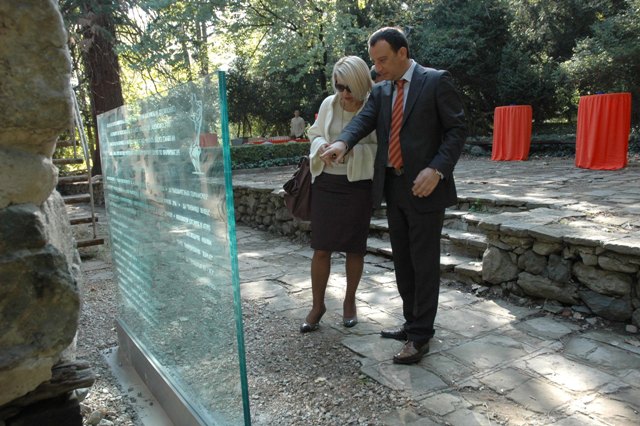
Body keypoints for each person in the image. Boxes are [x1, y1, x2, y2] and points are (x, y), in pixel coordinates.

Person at [321, 27, 467, 363]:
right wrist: (342, 143)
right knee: (403, 260)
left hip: (426, 186)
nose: (377, 68)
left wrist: (437, 169)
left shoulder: (435, 81)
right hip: (393, 186)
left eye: (383, 60)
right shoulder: (382, 90)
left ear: (403, 53)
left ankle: (421, 336)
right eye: (374, 61)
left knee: (424, 263)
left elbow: (457, 130)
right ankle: (411, 322)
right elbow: (363, 121)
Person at [300, 56, 377, 333]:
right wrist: (322, 146)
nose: (344, 93)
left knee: (355, 248)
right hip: (326, 185)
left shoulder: (373, 106)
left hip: (358, 186)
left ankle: (349, 302)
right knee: (321, 248)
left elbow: (381, 146)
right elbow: (314, 133)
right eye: (339, 86)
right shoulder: (328, 104)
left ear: (361, 83)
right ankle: (317, 306)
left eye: (349, 87)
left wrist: (350, 150)